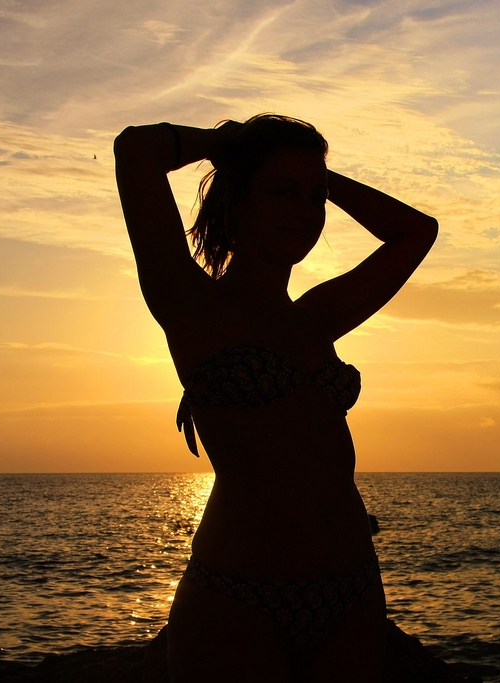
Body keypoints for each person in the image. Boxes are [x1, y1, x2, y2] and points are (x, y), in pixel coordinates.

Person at [114, 114, 438, 681]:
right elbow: (135, 149)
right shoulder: (192, 305)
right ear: (238, 202)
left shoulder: (317, 319)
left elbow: (417, 231)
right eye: (282, 192)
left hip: (352, 589)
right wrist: (229, 145)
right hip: (238, 596)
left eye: (314, 199)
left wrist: (319, 179)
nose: (306, 211)